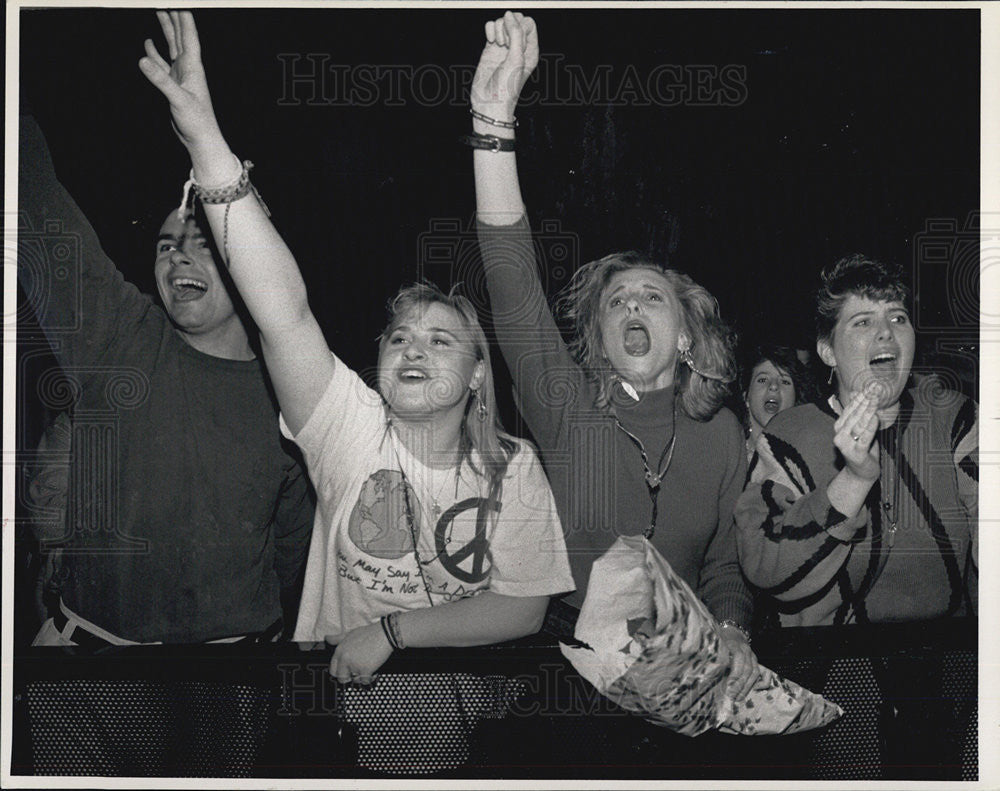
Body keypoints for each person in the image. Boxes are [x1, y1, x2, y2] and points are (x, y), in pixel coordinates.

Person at [138, 11, 574, 773]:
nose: (412, 348)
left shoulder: (512, 467)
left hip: (447, 736)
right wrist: (206, 140)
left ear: (478, 374)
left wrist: (394, 632)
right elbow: (282, 308)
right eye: (399, 336)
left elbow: (523, 603)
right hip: (329, 725)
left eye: (441, 340)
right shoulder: (346, 424)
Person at [470, 12, 758, 704]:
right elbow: (512, 291)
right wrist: (493, 121)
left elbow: (724, 562)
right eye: (617, 303)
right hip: (566, 675)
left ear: (687, 335)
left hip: (680, 675)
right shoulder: (570, 408)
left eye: (652, 299)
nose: (632, 308)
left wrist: (731, 629)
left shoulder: (723, 435)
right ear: (597, 338)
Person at [18, 124, 314, 648]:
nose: (176, 256)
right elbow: (36, 204)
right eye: (166, 247)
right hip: (90, 678)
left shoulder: (298, 387)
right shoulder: (117, 337)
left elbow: (294, 549)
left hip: (231, 686)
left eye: (202, 246)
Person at [735, 253, 977, 626]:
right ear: (827, 351)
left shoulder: (954, 417)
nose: (886, 332)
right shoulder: (787, 435)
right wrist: (854, 479)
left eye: (898, 318)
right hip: (834, 664)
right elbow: (765, 567)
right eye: (863, 322)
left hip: (949, 658)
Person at [742, 344, 815, 460]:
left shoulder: (809, 458)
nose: (774, 386)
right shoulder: (727, 450)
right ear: (746, 396)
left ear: (796, 400)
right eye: (762, 380)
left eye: (785, 381)